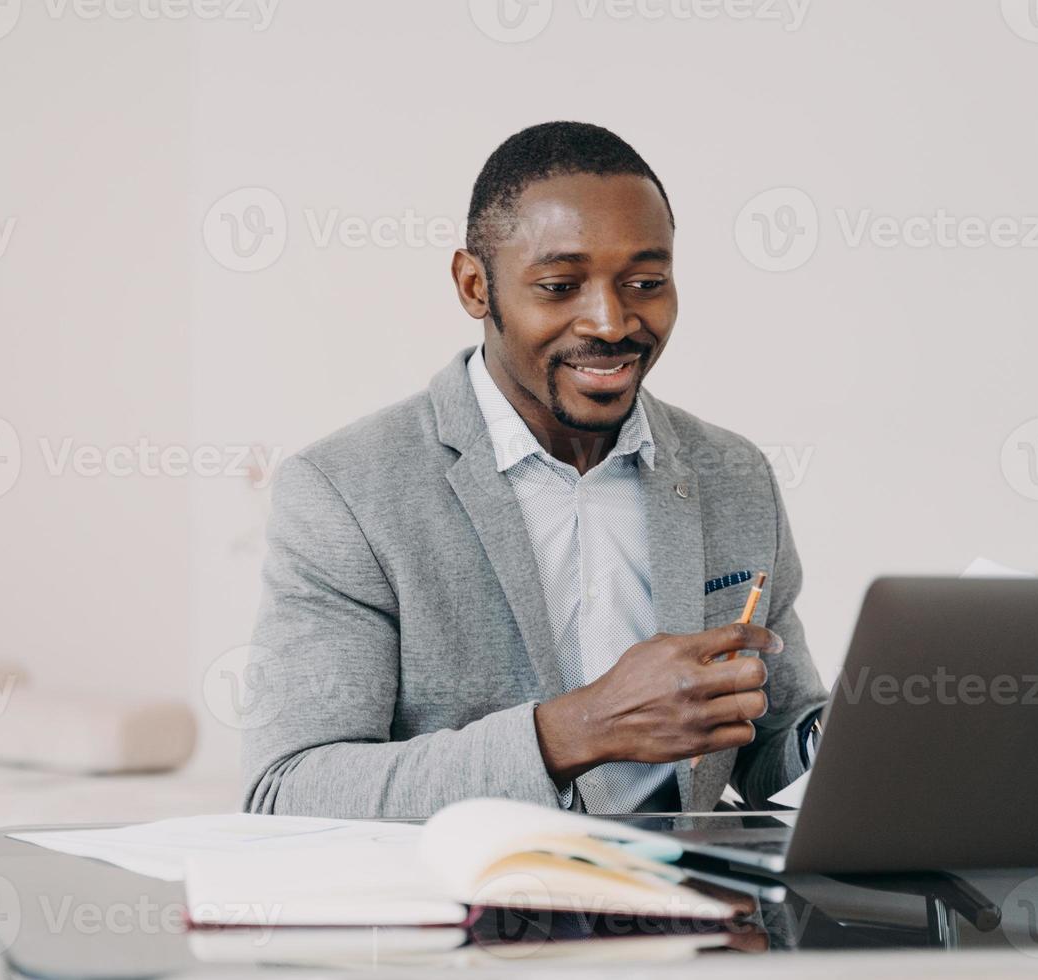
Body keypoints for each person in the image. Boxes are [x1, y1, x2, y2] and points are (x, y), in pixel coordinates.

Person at [242, 122, 827, 818]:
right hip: (467, 913)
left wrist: (871, 734)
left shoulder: (734, 474)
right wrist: (576, 729)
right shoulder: (346, 491)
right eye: (558, 286)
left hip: (689, 905)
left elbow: (770, 746)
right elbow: (290, 790)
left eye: (645, 282)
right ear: (473, 286)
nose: (611, 322)